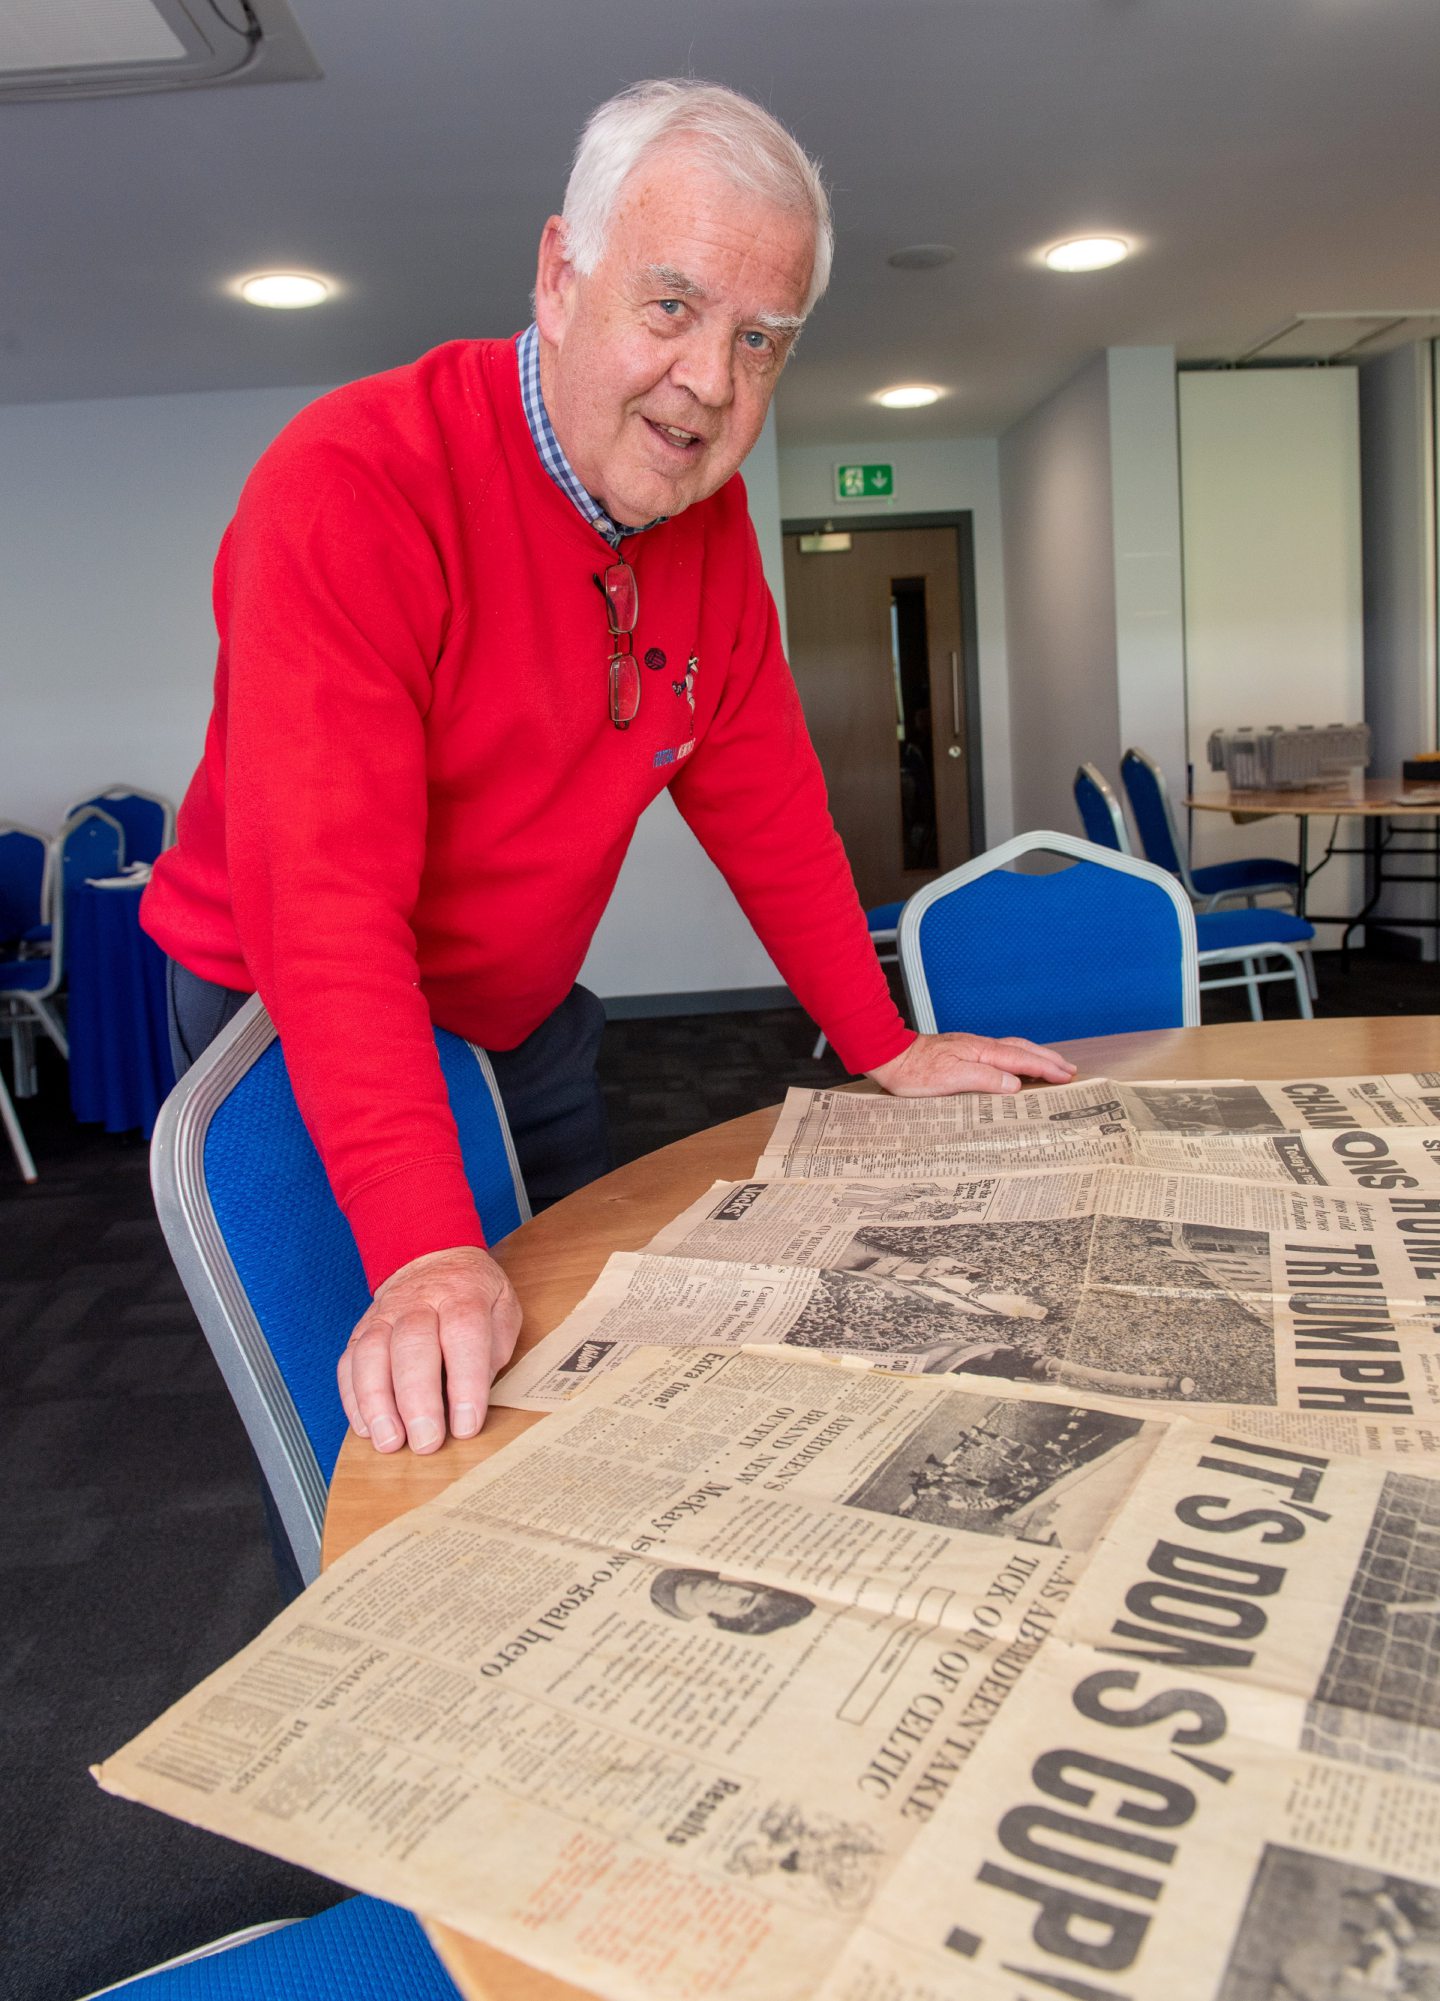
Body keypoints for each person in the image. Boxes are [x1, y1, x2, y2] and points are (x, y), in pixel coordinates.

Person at [142, 79, 1076, 1461]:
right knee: (405, 1398)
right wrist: (420, 1243)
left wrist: (884, 1044)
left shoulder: (705, 519)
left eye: (763, 340)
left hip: (519, 1008)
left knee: (577, 1363)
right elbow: (325, 909)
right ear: (561, 276)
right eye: (673, 306)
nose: (712, 379)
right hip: (279, 1006)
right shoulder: (350, 482)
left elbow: (768, 804)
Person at [648, 1567, 814, 1635]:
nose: (737, 1590)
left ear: (723, 1620)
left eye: (743, 1602)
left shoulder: (664, 1611)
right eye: (756, 1589)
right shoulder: (702, 1568)